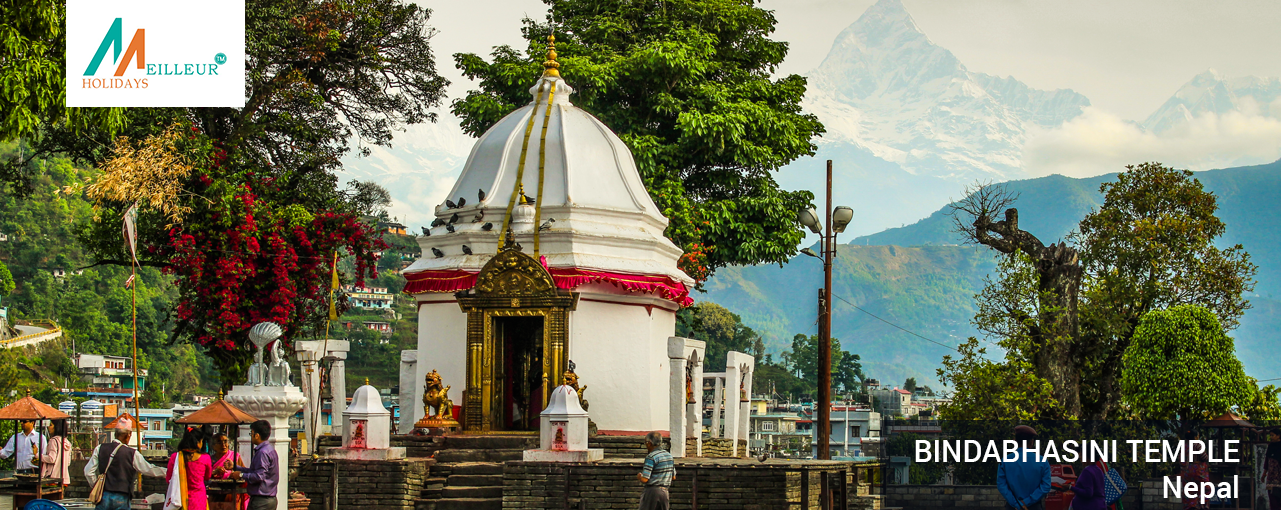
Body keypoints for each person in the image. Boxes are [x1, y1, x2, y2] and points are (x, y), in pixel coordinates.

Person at [84, 417, 167, 510]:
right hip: (122, 496)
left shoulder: (100, 448)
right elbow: (148, 469)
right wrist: (169, 472)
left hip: (103, 496)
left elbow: (88, 472)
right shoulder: (132, 453)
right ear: (129, 435)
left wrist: (96, 486)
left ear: (115, 434)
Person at [218, 420, 278, 510]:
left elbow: (259, 476)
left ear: (257, 435)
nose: (251, 437)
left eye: (251, 434)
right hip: (269, 499)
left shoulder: (262, 452)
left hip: (261, 500)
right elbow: (254, 471)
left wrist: (241, 475)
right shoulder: (270, 449)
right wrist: (235, 467)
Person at [996, 425, 1050, 510]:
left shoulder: (1005, 461)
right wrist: (1026, 502)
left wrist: (1016, 504)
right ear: (1031, 442)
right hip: (1034, 507)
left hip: (1012, 507)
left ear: (1015, 441)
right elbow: (1046, 486)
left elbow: (1001, 485)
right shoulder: (1042, 461)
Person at [166, 427, 214, 510]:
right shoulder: (205, 458)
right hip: (198, 499)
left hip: (179, 499)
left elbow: (169, 479)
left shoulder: (175, 457)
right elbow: (207, 476)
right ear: (198, 443)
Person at [636, 431, 674, 510]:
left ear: (649, 443)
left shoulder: (651, 457)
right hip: (665, 492)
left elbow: (645, 479)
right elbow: (673, 477)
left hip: (652, 492)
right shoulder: (669, 456)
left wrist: (640, 476)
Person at [210, 432, 248, 510]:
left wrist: (233, 474)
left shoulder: (235, 457)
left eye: (225, 441)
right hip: (215, 495)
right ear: (213, 446)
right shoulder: (210, 459)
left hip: (232, 495)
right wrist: (214, 472)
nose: (223, 445)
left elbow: (243, 473)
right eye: (219, 442)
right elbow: (204, 475)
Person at [1180, 429, 1209, 510]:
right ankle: (1201, 504)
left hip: (1187, 471)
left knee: (1190, 489)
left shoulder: (1184, 446)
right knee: (1206, 488)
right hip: (1198, 470)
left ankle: (1191, 506)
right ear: (1195, 437)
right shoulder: (1198, 445)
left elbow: (1181, 459)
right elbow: (1204, 457)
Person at [41, 420, 72, 486]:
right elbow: (68, 462)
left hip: (53, 478)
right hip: (64, 478)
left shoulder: (53, 441)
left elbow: (51, 459)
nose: (49, 427)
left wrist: (38, 456)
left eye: (51, 425)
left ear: (56, 427)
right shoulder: (67, 442)